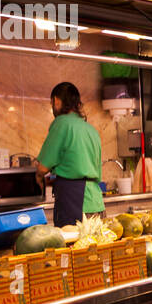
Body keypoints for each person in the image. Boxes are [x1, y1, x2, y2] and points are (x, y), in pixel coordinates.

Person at [36, 82, 106, 227]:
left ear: (56, 101)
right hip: (96, 202)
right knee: (96, 247)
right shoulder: (91, 130)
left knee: (72, 247)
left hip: (74, 201)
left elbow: (42, 168)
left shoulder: (61, 123)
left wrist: (38, 178)